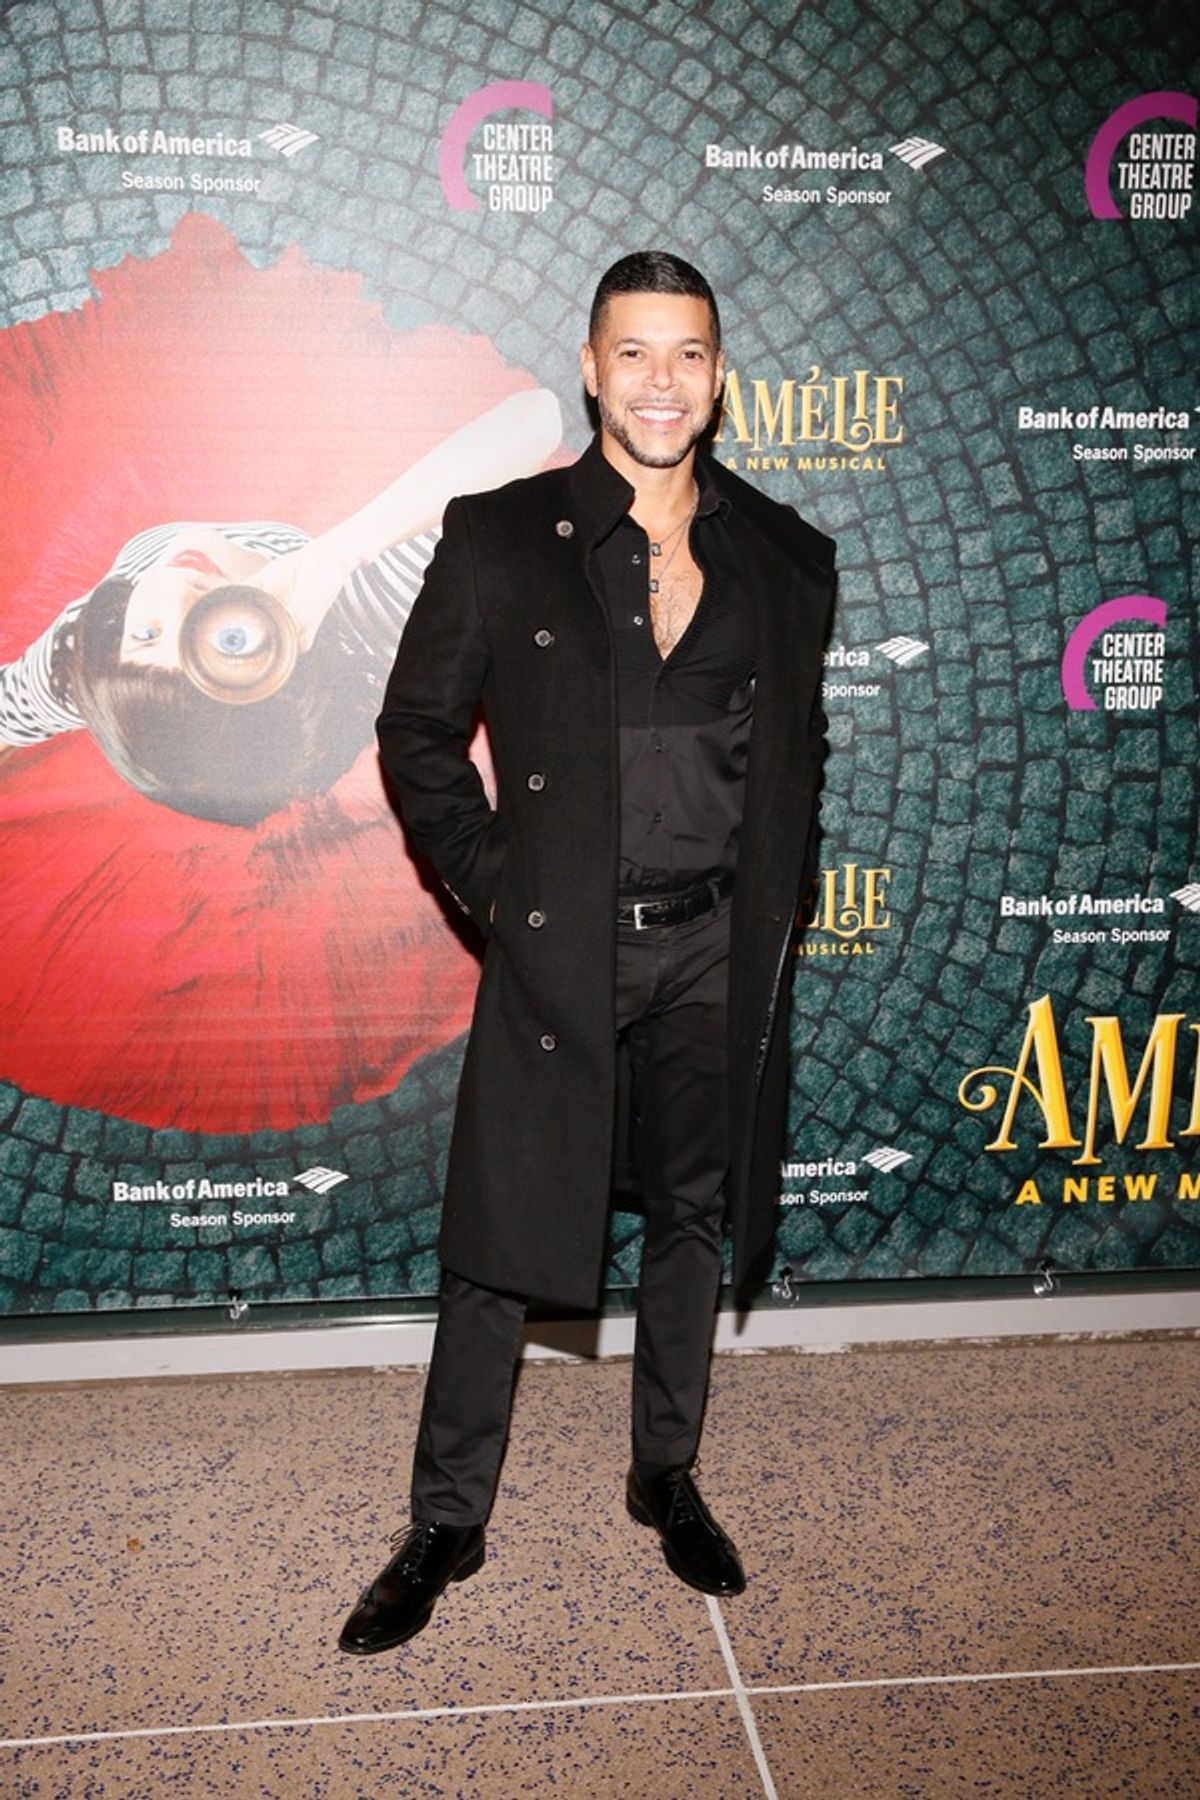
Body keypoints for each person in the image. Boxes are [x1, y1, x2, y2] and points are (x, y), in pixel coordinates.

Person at [341, 251, 836, 1655]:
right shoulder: (500, 537)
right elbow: (416, 735)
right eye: (634, 353)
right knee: (498, 1237)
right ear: (590, 369)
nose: (661, 383)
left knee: (692, 1215)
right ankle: (446, 1520)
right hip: (565, 946)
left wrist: (776, 900)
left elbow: (799, 752)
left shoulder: (788, 558)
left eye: (688, 355)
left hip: (715, 948)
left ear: (719, 378)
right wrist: (506, 892)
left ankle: (664, 1472)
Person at [0, 391, 561, 824]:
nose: (174, 589)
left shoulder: (81, 654)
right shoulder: (378, 609)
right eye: (223, 644)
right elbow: (540, 420)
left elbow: (5, 716)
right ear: (277, 671)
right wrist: (343, 554)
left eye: (146, 634)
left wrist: (337, 551)